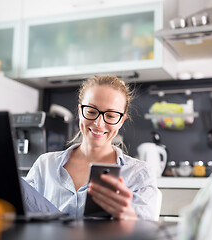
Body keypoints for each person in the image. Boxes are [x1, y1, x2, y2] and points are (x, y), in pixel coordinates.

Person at [23, 75, 161, 220]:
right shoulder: (45, 165)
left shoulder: (139, 174)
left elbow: (148, 233)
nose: (98, 123)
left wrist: (131, 218)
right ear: (79, 111)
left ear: (121, 121)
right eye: (91, 111)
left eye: (111, 115)